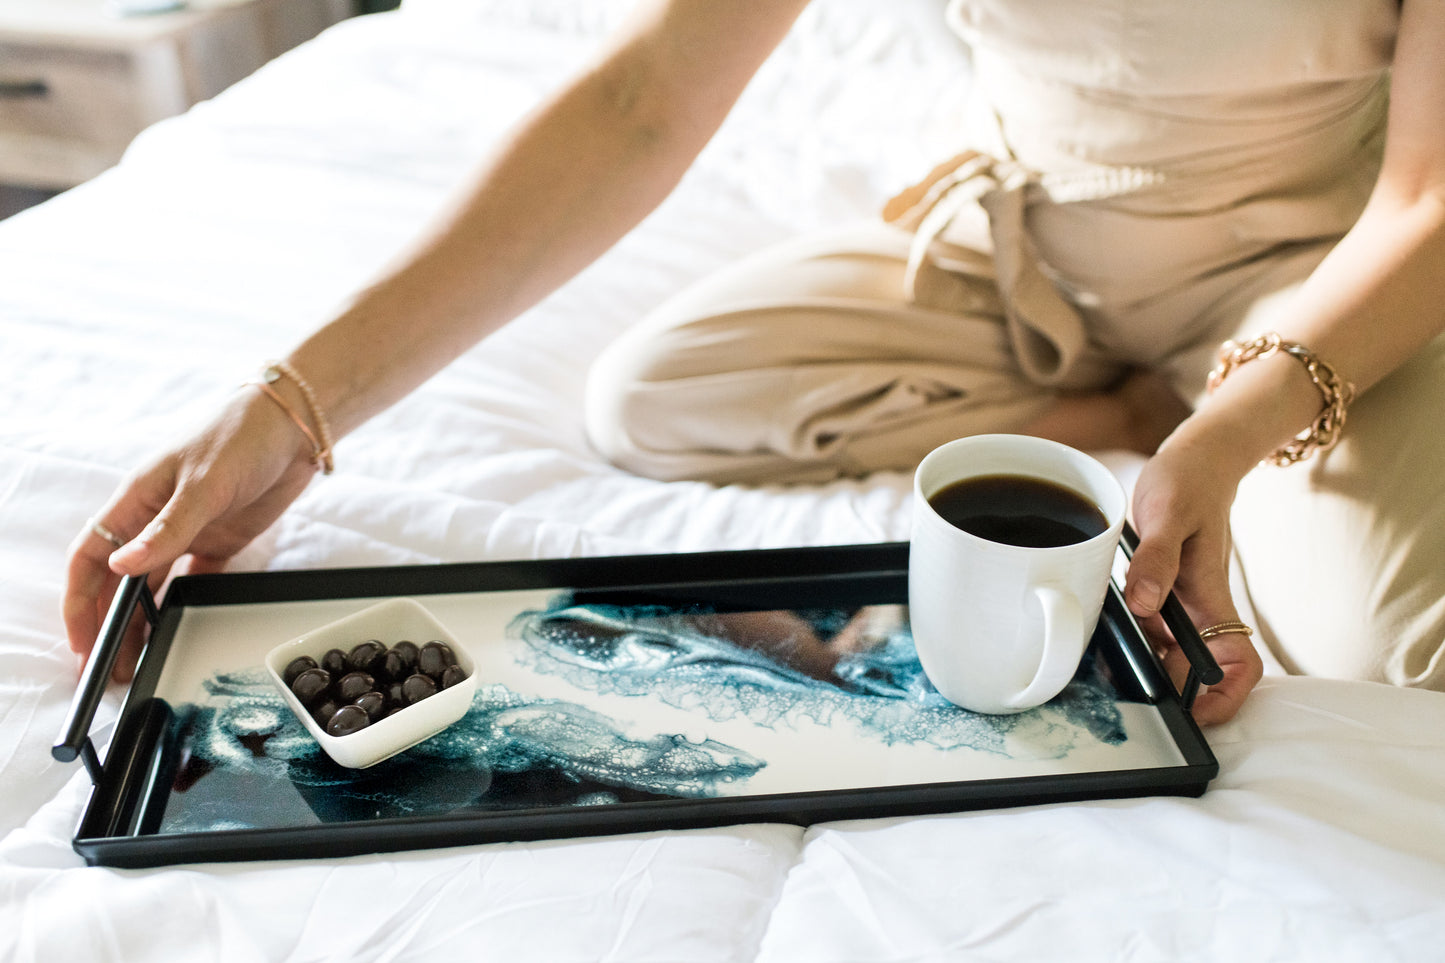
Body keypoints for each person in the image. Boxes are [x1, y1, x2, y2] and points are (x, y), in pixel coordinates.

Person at [64, 0, 1445, 727]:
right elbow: (637, 100)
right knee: (661, 396)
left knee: (1391, 639)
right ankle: (1131, 400)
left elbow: (1425, 198)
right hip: (1026, 239)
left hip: (1296, 285)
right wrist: (292, 402)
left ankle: (1181, 409)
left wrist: (1231, 427)